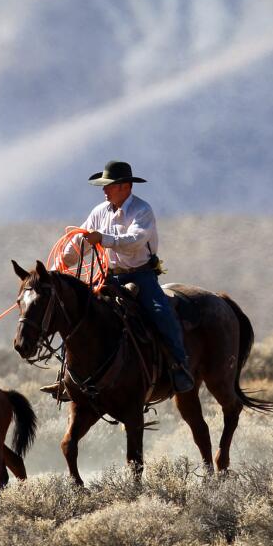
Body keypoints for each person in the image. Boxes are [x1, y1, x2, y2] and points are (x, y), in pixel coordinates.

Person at [67, 160, 196, 393]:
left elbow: (134, 240)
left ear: (125, 187)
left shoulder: (142, 210)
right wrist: (64, 261)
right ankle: (71, 376)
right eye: (104, 186)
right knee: (79, 314)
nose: (104, 190)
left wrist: (103, 239)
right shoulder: (99, 212)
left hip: (141, 275)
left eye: (109, 185)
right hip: (109, 276)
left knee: (161, 312)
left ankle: (179, 366)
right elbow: (82, 238)